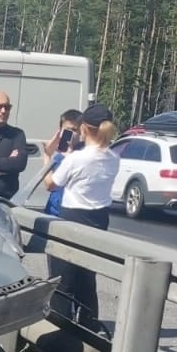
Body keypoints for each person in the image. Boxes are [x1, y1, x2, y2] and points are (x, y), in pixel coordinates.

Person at [43, 103, 120, 332]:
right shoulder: (113, 158)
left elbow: (51, 185)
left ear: (84, 129)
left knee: (63, 281)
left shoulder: (75, 159)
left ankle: (60, 327)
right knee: (87, 278)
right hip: (99, 220)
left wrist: (50, 157)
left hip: (72, 219)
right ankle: (88, 326)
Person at [41, 108, 84, 218]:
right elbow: (48, 183)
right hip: (53, 210)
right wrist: (49, 155)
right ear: (60, 131)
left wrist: (47, 155)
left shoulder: (84, 155)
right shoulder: (59, 156)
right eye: (68, 130)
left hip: (71, 214)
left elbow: (49, 185)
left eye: (75, 130)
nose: (72, 135)